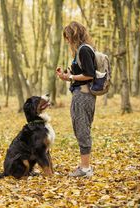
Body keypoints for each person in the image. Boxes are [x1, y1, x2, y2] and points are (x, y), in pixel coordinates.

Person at [56, 21, 96, 177]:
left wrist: (71, 76)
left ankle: (85, 169)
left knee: (82, 129)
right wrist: (66, 76)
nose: (67, 41)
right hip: (80, 94)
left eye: (68, 37)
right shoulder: (80, 51)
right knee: (80, 129)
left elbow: (89, 74)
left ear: (75, 35)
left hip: (84, 96)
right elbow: (79, 76)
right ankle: (84, 167)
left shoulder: (84, 50)